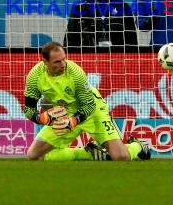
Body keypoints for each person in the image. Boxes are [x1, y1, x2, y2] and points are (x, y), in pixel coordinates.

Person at [23, 41, 151, 161]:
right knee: (34, 155)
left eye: (64, 59)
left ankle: (138, 146)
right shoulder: (34, 77)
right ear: (45, 61)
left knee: (121, 157)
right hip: (66, 114)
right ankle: (89, 153)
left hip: (93, 111)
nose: (63, 64)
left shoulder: (76, 73)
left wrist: (73, 121)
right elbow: (29, 110)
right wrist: (43, 119)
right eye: (57, 62)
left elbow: (89, 105)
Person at [64, 0, 138, 48]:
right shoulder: (79, 7)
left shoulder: (122, 6)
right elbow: (70, 39)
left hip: (117, 56)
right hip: (89, 56)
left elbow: (132, 38)